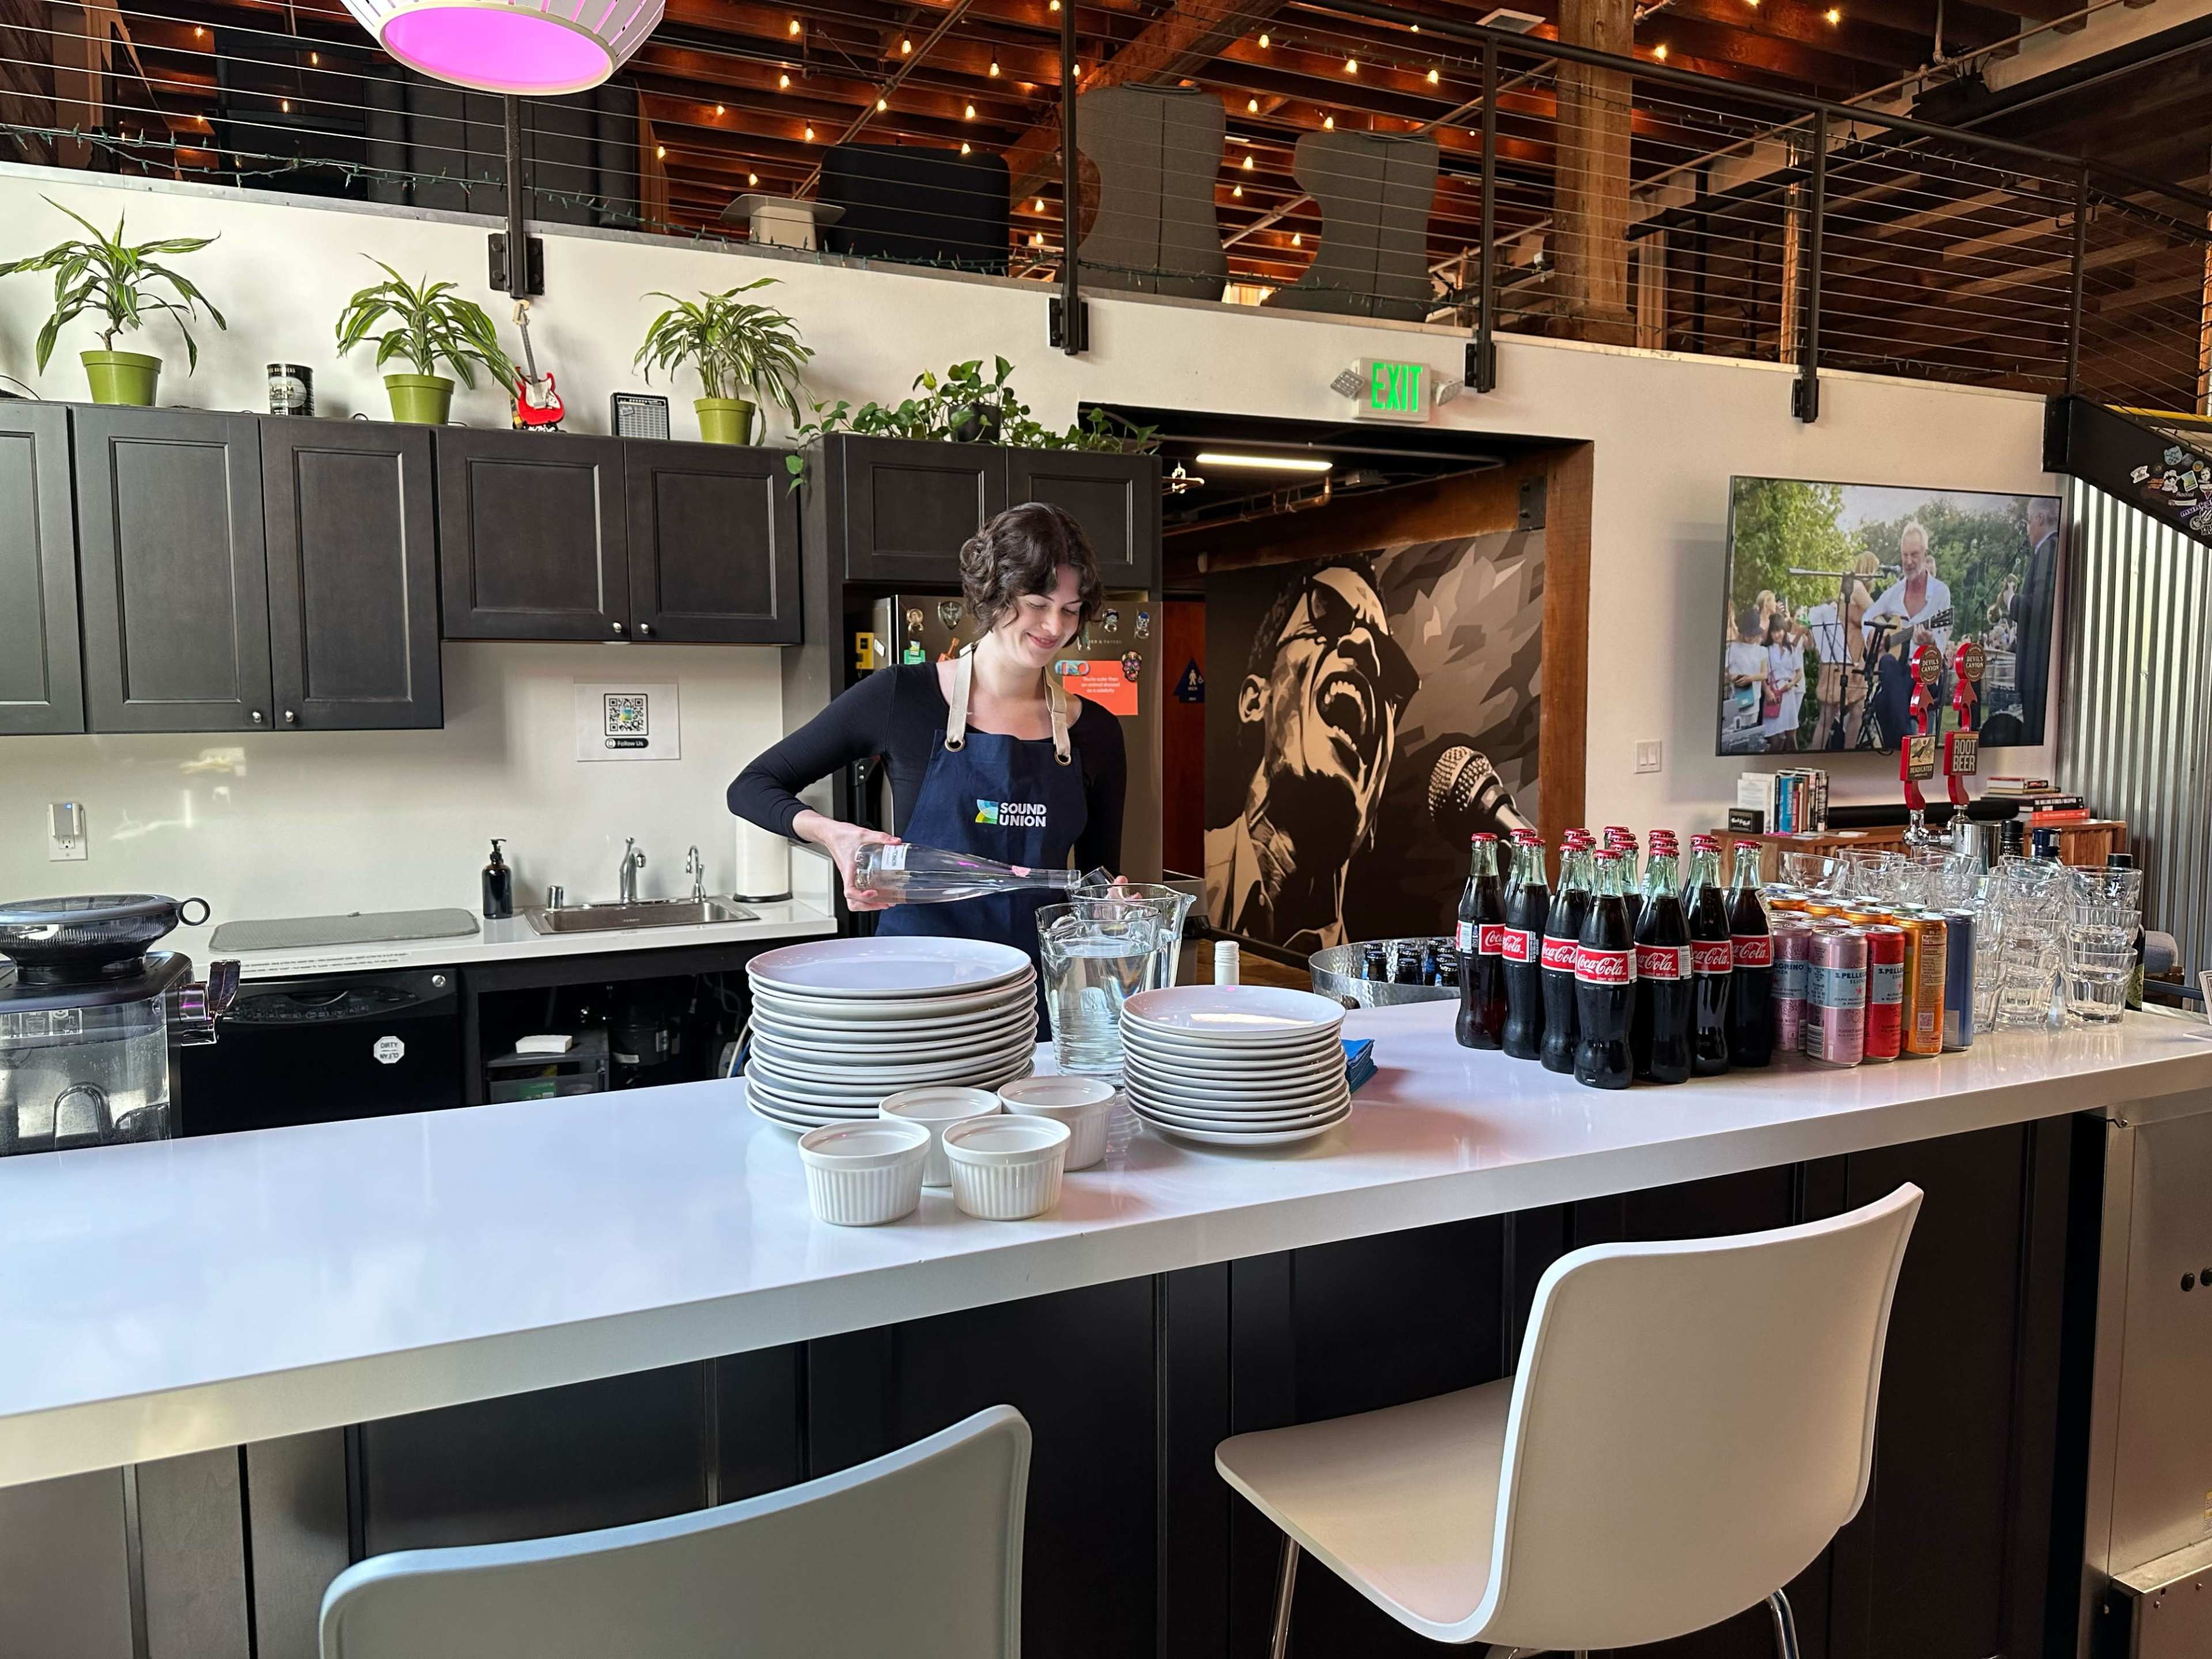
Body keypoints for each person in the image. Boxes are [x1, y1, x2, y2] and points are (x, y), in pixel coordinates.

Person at [728, 502, 1126, 968]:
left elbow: (1100, 880)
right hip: (918, 987)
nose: (1054, 627)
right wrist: (831, 835)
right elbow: (751, 787)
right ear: (993, 595)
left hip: (1033, 993)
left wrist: (1113, 908)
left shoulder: (1096, 730)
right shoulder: (903, 697)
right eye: (1037, 605)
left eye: (1071, 611)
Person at [1205, 556, 1418, 953]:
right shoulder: (1181, 902)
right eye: (1328, 611)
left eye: (1392, 671)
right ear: (1255, 701)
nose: (1365, 648)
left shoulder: (1369, 994)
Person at [1865, 522, 1952, 749]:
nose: (1909, 561)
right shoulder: (1893, 593)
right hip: (1899, 673)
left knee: (1885, 702)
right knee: (1887, 662)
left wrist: (1931, 642)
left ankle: (1903, 748)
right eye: (1905, 555)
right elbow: (1867, 618)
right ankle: (1910, 745)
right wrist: (1872, 636)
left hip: (1926, 674)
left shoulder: (1940, 593)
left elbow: (1942, 642)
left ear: (1925, 553)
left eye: (1914, 554)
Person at [1983, 497, 2058, 747]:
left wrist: (2011, 599)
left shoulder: (2049, 549)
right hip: (2036, 661)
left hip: (2038, 666)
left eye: (2028, 522)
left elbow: (2040, 607)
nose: (2027, 529)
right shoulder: (2050, 549)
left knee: (2035, 726)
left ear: (2039, 519)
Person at [1721, 603, 1768, 755]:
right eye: (1749, 635)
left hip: (1754, 697)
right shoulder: (1734, 649)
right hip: (1738, 698)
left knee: (1751, 734)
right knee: (1736, 734)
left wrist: (1750, 679)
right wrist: (1732, 677)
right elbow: (1725, 674)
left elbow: (1764, 674)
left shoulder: (1761, 650)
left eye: (1754, 635)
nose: (1751, 638)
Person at [1763, 612, 1807, 752]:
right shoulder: (1766, 651)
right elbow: (1762, 677)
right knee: (1775, 740)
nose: (1778, 635)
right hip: (1773, 696)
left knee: (1791, 736)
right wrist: (1768, 691)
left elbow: (1799, 673)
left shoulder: (1791, 649)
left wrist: (1792, 683)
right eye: (1774, 632)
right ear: (1770, 633)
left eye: (1780, 630)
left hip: (1788, 695)